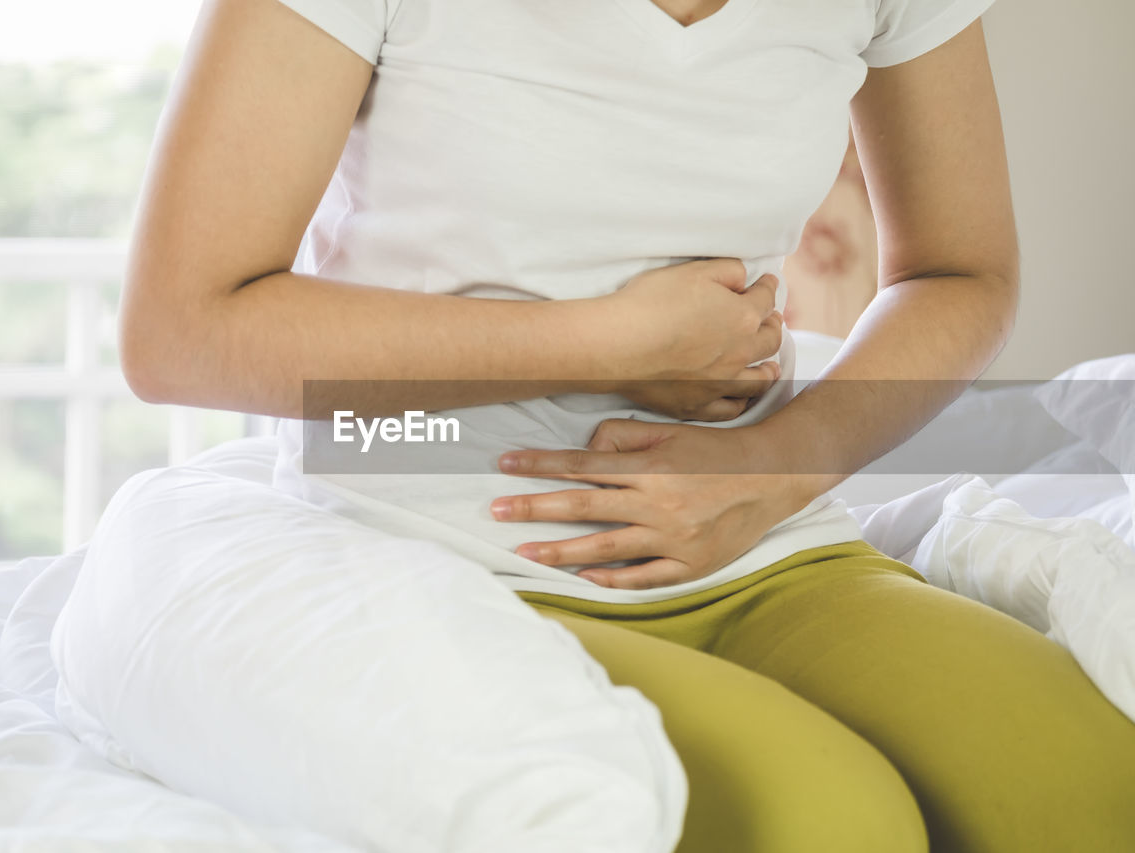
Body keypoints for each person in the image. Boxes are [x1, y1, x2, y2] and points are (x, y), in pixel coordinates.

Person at [117, 0, 1135, 850]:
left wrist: (774, 468)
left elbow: (960, 271)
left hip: (755, 537)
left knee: (1084, 790)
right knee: (831, 824)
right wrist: (607, 343)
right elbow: (181, 330)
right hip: (438, 539)